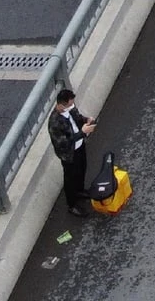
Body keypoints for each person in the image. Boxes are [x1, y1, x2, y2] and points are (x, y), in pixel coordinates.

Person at [48, 89, 97, 217]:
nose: (72, 106)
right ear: (61, 105)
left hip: (80, 146)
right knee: (70, 178)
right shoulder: (54, 123)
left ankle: (80, 191)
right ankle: (72, 204)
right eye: (69, 104)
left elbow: (78, 118)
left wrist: (86, 120)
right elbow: (64, 142)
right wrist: (83, 132)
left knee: (82, 169)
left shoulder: (71, 110)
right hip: (69, 154)